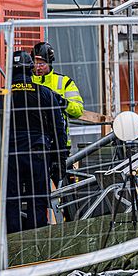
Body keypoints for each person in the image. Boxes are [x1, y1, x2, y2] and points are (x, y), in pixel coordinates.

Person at [5, 50, 68, 233]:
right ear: (30, 69)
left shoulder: (0, 94)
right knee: (38, 199)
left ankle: (12, 247)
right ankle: (37, 245)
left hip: (10, 154)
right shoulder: (45, 93)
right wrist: (60, 158)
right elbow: (58, 129)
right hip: (37, 153)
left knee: (12, 200)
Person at [32, 42, 83, 187]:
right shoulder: (27, 82)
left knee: (66, 189)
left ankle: (69, 210)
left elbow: (78, 110)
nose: (38, 67)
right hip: (34, 145)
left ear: (49, 62)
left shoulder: (64, 83)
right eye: (35, 63)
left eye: (42, 63)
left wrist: (62, 102)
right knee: (36, 190)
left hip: (59, 147)